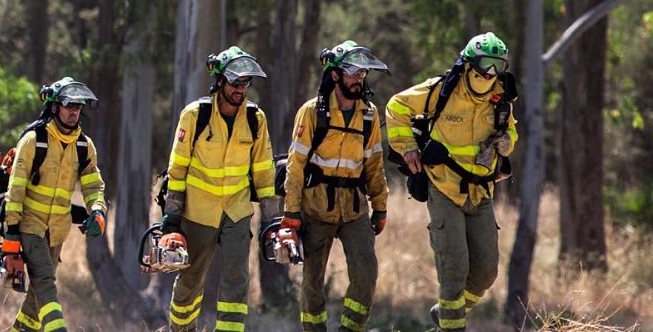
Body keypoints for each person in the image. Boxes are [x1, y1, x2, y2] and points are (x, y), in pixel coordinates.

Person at [386, 32, 518, 331]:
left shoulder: (500, 97)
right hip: (443, 188)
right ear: (470, 64)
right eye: (486, 64)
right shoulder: (442, 90)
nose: (491, 73)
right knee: (454, 266)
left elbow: (510, 130)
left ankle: (446, 313)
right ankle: (451, 325)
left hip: (481, 191)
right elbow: (396, 106)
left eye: (499, 65)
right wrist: (407, 148)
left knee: (486, 271)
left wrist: (507, 142)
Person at [160, 47, 277, 332]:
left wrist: (272, 220)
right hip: (198, 212)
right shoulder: (195, 115)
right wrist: (172, 221)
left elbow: (264, 171)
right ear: (220, 81)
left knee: (237, 279)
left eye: (246, 83)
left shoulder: (254, 119)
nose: (240, 89)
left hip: (236, 211)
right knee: (190, 280)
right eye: (235, 82)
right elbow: (177, 171)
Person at [284, 41, 390, 332]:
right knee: (313, 282)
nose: (359, 78)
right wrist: (291, 213)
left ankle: (350, 329)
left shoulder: (369, 114)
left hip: (354, 209)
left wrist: (380, 207)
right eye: (353, 72)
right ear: (335, 75)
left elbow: (375, 166)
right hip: (316, 208)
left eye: (363, 73)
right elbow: (295, 166)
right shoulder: (311, 112)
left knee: (366, 271)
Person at [2, 77, 106, 332]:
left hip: (57, 231)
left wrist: (97, 210)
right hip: (29, 226)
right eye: (69, 105)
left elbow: (94, 186)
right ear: (54, 107)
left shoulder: (84, 146)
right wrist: (12, 236)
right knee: (46, 282)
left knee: (35, 298)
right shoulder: (34, 140)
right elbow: (15, 191)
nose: (74, 112)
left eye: (78, 107)